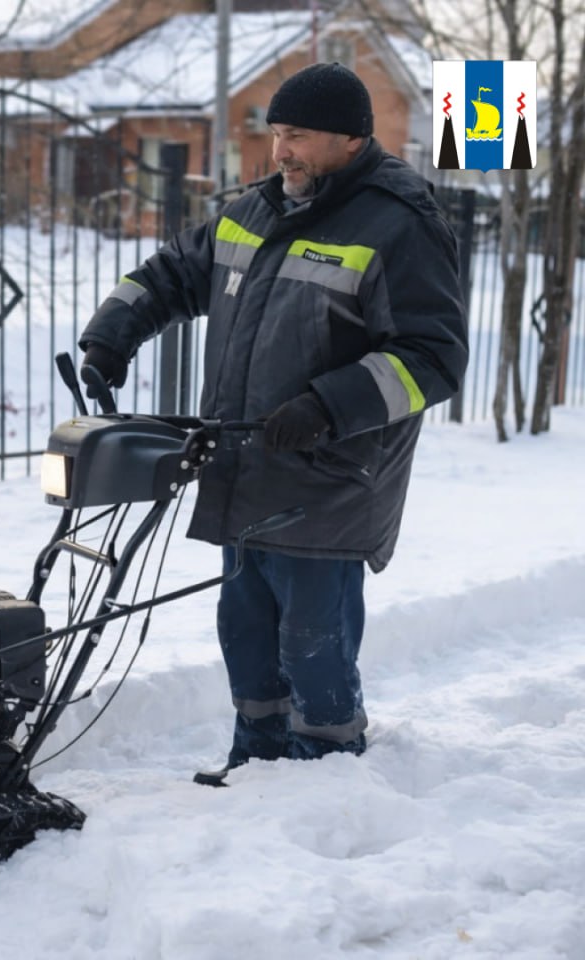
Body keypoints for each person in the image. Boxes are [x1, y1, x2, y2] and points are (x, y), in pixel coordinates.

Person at [77, 62, 468, 784]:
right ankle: (256, 767)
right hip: (247, 468)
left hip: (330, 479)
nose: (280, 151)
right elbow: (172, 274)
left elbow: (433, 357)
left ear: (351, 141)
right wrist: (113, 335)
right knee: (246, 630)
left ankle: (325, 778)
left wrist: (328, 406)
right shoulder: (255, 210)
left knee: (312, 642)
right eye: (277, 134)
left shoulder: (399, 224)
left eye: (299, 137)